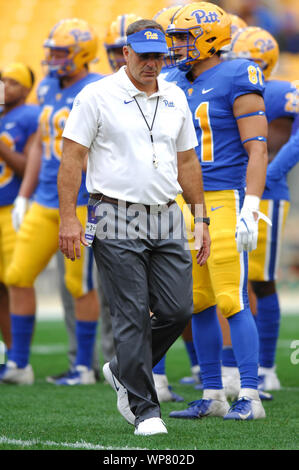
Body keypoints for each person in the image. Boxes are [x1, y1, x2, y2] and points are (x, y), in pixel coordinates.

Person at [58, 18, 210, 436]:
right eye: (143, 55)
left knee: (179, 309)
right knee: (130, 313)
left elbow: (187, 162)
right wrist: (69, 216)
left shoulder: (176, 94)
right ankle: (146, 411)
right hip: (113, 213)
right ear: (125, 53)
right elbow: (72, 158)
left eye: (159, 55)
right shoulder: (97, 95)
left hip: (166, 213)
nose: (152, 63)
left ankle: (122, 367)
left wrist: (201, 217)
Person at [165, 2, 270, 420]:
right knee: (198, 300)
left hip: (225, 198)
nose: (176, 46)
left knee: (232, 298)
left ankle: (251, 395)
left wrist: (252, 205)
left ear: (210, 38)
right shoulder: (173, 78)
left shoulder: (236, 73)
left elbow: (257, 148)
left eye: (183, 37)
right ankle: (212, 394)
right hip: (185, 202)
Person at [1, 19, 102, 386]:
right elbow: (38, 146)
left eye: (62, 52)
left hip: (81, 200)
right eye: (52, 51)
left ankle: (82, 369)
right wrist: (26, 195)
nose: (54, 59)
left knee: (80, 284)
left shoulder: (97, 88)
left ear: (83, 54)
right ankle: (20, 365)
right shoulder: (45, 86)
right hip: (46, 197)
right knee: (17, 275)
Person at [220, 26, 299, 395]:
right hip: (234, 190)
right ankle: (230, 367)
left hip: (266, 193)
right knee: (233, 281)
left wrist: (271, 173)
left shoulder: (282, 90)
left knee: (261, 281)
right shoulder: (227, 84)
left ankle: (266, 368)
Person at [0, 63, 39, 368]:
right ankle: (12, 355)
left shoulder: (28, 115)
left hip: (14, 207)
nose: (5, 86)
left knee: (15, 280)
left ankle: (18, 358)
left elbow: (29, 168)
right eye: (3, 80)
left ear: (27, 88)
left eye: (13, 82)